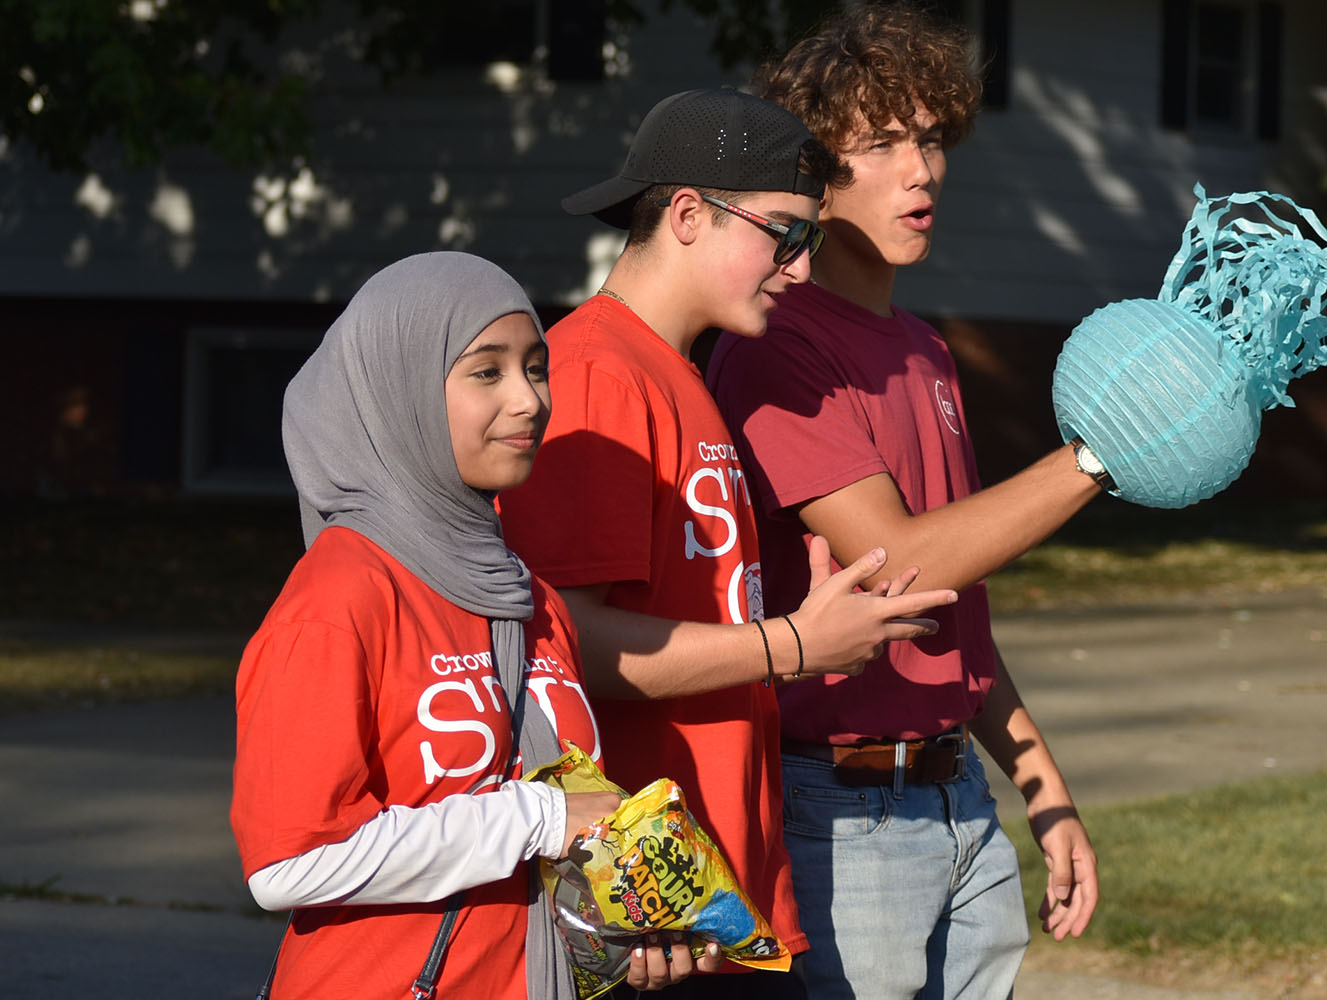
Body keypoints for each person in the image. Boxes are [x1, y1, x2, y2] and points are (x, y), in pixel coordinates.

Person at [499, 87, 960, 998]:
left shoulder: (679, 373)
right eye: (784, 233)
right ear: (684, 214)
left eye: (810, 241)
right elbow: (569, 645)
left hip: (723, 898)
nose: (797, 268)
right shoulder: (597, 375)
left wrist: (795, 625)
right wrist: (792, 645)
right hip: (656, 917)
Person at [706, 5, 1102, 998]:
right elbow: (901, 561)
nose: (922, 169)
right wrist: (1102, 457)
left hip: (963, 802)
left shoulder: (926, 350)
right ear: (814, 172)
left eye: (930, 138)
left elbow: (954, 613)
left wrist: (1045, 795)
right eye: (882, 143)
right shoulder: (778, 345)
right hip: (844, 812)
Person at [229, 251, 715, 999]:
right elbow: (289, 863)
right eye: (486, 372)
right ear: (401, 394)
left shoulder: (531, 598)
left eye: (535, 367)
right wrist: (539, 818)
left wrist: (631, 927)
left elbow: (554, 839)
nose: (528, 400)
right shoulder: (342, 595)